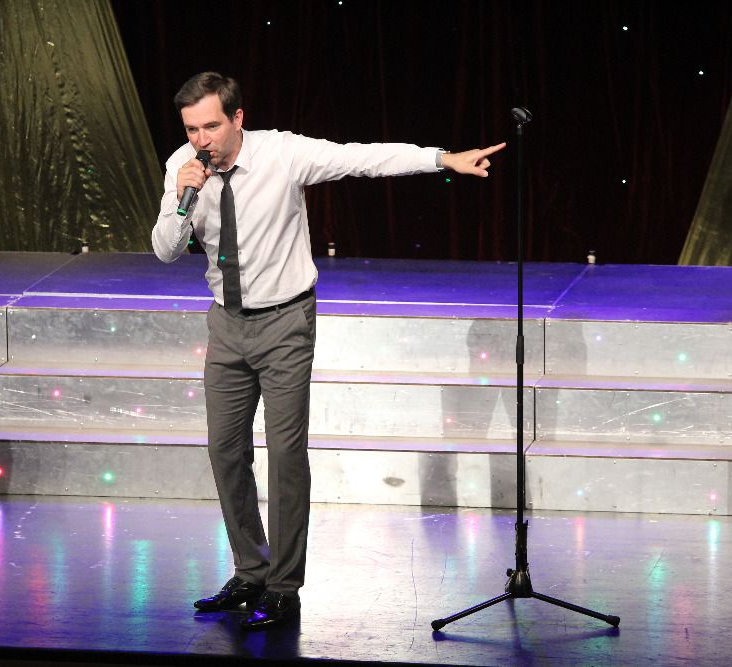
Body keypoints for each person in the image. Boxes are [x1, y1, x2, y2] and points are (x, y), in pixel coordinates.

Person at [152, 72, 504, 630]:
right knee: (225, 451)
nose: (202, 140)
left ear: (238, 118)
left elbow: (361, 159)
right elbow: (165, 251)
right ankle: (251, 570)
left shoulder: (283, 154)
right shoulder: (183, 168)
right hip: (226, 324)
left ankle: (283, 587)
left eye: (211, 127)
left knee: (286, 454)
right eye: (192, 129)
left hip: (286, 322)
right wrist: (180, 198)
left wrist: (441, 159)